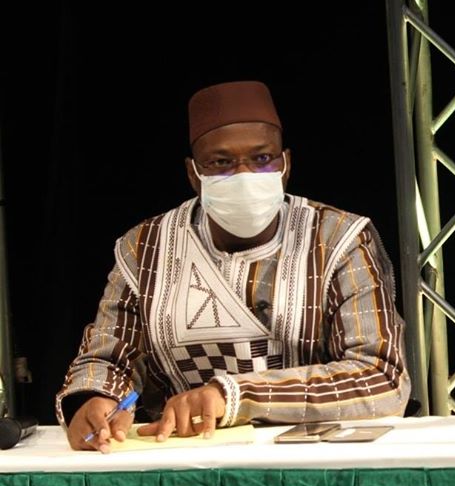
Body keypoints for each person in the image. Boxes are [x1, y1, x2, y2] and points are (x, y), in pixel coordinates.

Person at [57, 80, 410, 451]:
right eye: (221, 163)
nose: (244, 175)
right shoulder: (145, 247)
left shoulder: (336, 238)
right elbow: (109, 357)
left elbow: (382, 377)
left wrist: (233, 396)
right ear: (194, 174)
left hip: (310, 455)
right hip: (183, 455)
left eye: (262, 159)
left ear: (286, 164)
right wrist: (96, 399)